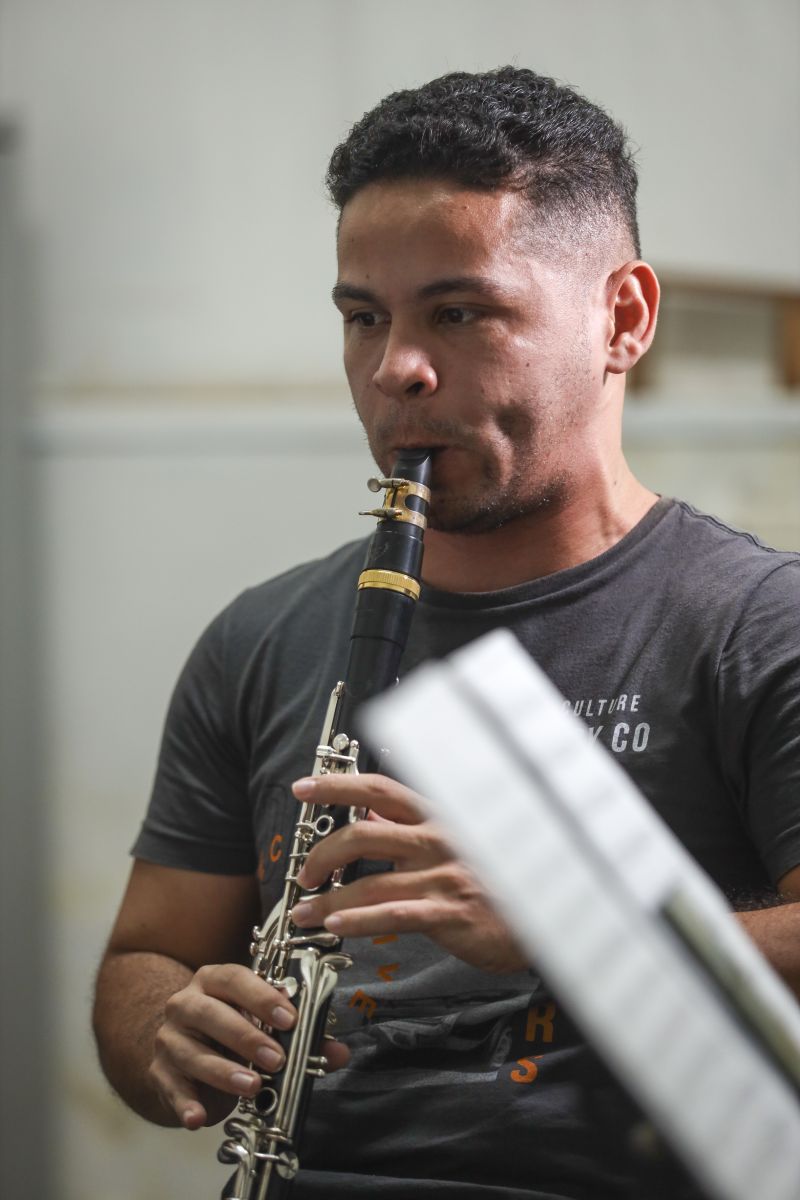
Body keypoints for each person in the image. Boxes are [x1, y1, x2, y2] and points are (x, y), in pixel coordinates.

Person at [93, 67, 800, 1200]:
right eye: (363, 318)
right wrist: (162, 1023)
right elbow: (145, 958)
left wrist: (568, 923)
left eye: (459, 313)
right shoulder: (260, 635)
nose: (393, 371)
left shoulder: (759, 625)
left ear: (620, 318)